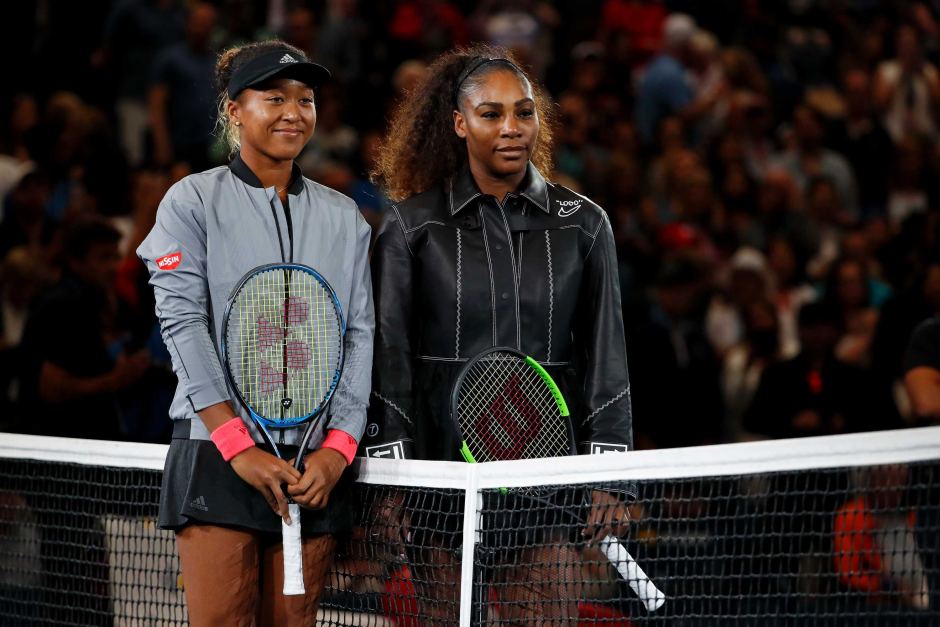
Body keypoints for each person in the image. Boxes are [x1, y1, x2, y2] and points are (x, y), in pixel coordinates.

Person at [363, 45, 634, 624]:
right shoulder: (411, 227)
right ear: (459, 123)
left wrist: (610, 476)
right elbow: (389, 365)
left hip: (547, 483)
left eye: (524, 111)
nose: (512, 128)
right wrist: (389, 481)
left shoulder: (585, 225)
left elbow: (606, 357)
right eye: (491, 113)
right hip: (439, 483)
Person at [136, 40, 374, 626]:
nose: (293, 112)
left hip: (314, 465)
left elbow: (360, 335)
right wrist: (236, 444)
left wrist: (338, 448)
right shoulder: (190, 200)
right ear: (234, 110)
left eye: (306, 99)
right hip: (219, 456)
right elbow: (182, 325)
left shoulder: (344, 216)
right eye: (274, 97)